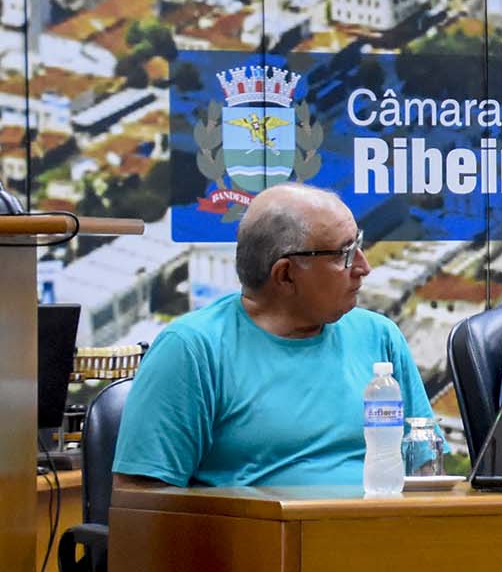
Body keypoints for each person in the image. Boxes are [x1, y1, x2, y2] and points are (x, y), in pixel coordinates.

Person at [113, 183, 432, 489]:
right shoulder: (192, 350)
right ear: (285, 275)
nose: (363, 266)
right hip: (261, 542)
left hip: (383, 536)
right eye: (343, 254)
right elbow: (143, 502)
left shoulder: (379, 336)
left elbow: (426, 467)